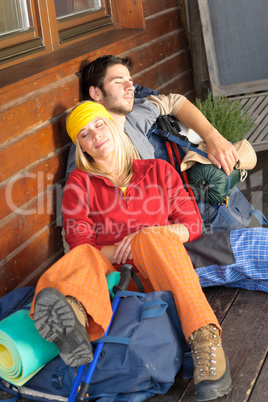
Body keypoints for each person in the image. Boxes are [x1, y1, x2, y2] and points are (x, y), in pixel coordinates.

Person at [31, 101, 233, 401]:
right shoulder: (79, 182)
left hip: (164, 269)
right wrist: (125, 249)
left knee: (153, 238)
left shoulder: (158, 170)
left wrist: (147, 236)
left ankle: (205, 339)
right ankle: (71, 317)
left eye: (98, 125)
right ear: (81, 147)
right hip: (113, 280)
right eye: (84, 134)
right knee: (81, 256)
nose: (95, 136)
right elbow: (80, 242)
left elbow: (192, 224)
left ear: (112, 125)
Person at [65, 55, 238, 181]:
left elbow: (175, 101)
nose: (130, 87)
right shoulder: (89, 147)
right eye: (118, 81)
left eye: (130, 81)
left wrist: (214, 137)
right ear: (96, 92)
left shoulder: (134, 116)